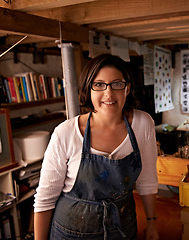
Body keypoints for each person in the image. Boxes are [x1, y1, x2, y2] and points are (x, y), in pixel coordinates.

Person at [34, 54, 159, 240]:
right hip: (71, 232)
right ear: (88, 89)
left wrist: (152, 223)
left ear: (127, 89)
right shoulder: (66, 132)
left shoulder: (142, 123)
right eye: (99, 84)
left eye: (117, 84)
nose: (108, 93)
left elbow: (147, 180)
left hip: (122, 228)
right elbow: (45, 199)